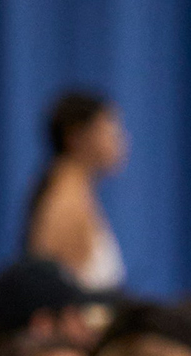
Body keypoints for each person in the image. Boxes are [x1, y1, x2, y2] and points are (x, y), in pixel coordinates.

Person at [20, 90, 129, 292]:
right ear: (76, 137)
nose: (121, 141)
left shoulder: (78, 194)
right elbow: (49, 291)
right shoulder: (66, 202)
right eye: (109, 131)